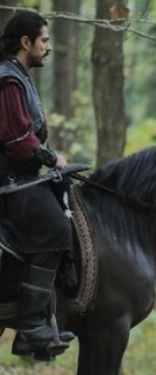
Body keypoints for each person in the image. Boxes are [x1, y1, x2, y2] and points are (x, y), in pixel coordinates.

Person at [0, 11, 74, 357]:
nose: (48, 47)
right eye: (44, 40)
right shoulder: (7, 80)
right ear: (25, 43)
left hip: (20, 176)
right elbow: (16, 140)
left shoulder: (18, 76)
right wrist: (50, 158)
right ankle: (31, 326)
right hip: (8, 181)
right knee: (56, 227)